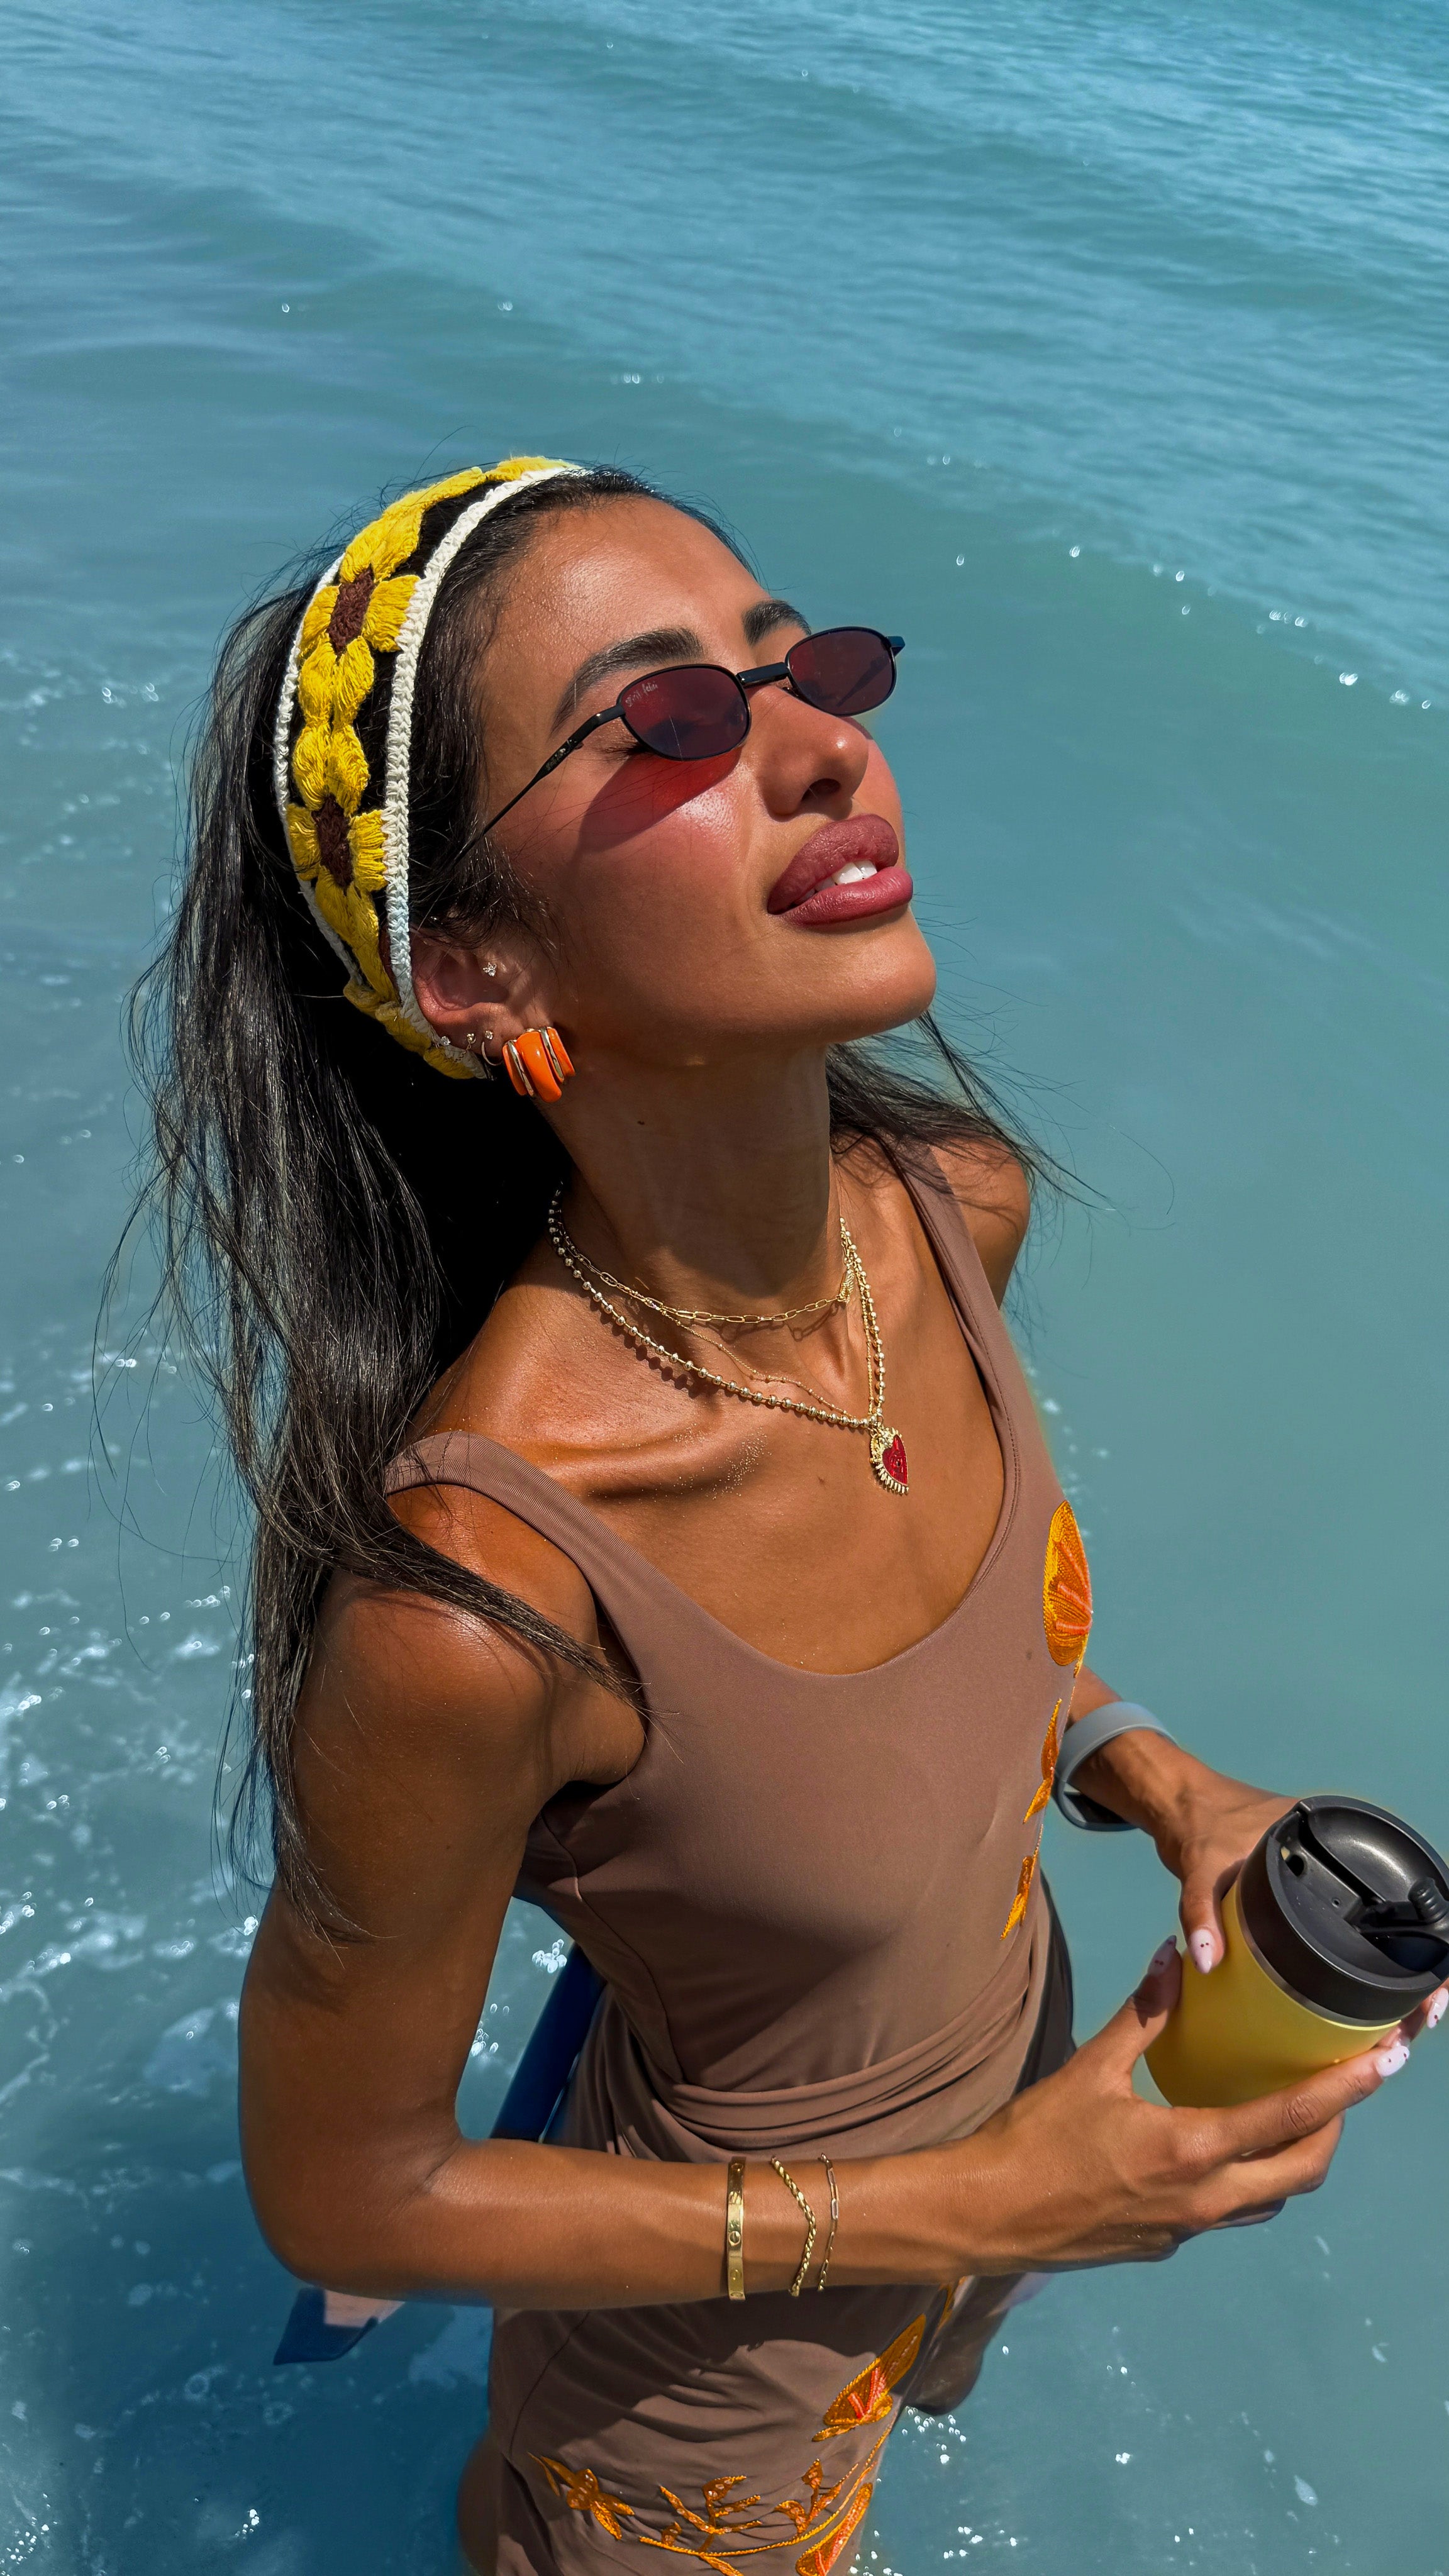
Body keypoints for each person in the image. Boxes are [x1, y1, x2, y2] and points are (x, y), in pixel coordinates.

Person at [133, 456, 1445, 2574]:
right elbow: (347, 2193)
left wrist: (1154, 1776)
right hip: (691, 2414)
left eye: (802, 664)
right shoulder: (483, 1602)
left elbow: (938, 1668)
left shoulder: (946, 1216)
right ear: (470, 962)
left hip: (1009, 2150)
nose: (832, 747)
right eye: (668, 718)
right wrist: (977, 2202)